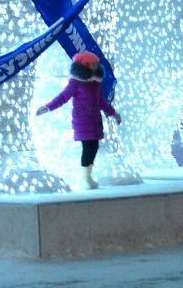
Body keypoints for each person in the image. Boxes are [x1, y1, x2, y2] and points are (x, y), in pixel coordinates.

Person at [35, 51, 122, 189]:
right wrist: (47, 107)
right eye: (91, 64)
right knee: (88, 147)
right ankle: (85, 178)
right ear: (84, 66)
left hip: (95, 120)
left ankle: (88, 176)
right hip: (82, 120)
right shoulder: (75, 83)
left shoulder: (96, 83)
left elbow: (101, 102)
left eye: (95, 64)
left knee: (94, 147)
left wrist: (114, 113)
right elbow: (62, 98)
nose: (94, 67)